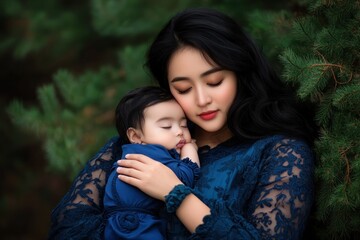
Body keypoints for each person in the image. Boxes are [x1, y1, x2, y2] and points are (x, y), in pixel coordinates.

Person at [49, 8, 318, 240]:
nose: (202, 99)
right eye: (183, 88)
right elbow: (69, 227)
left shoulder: (282, 153)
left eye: (214, 82)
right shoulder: (135, 143)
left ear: (240, 72)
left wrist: (174, 193)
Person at [104, 86, 200, 240]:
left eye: (183, 125)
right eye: (166, 126)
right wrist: (190, 150)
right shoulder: (150, 153)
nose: (179, 131)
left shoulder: (130, 152)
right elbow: (184, 180)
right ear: (135, 136)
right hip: (137, 228)